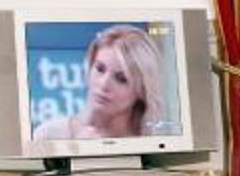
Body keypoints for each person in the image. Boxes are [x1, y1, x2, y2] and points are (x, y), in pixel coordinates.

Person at [33, 25, 170, 139]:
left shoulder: (150, 147)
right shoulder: (48, 134)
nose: (104, 84)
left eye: (121, 79)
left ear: (141, 90)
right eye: (100, 69)